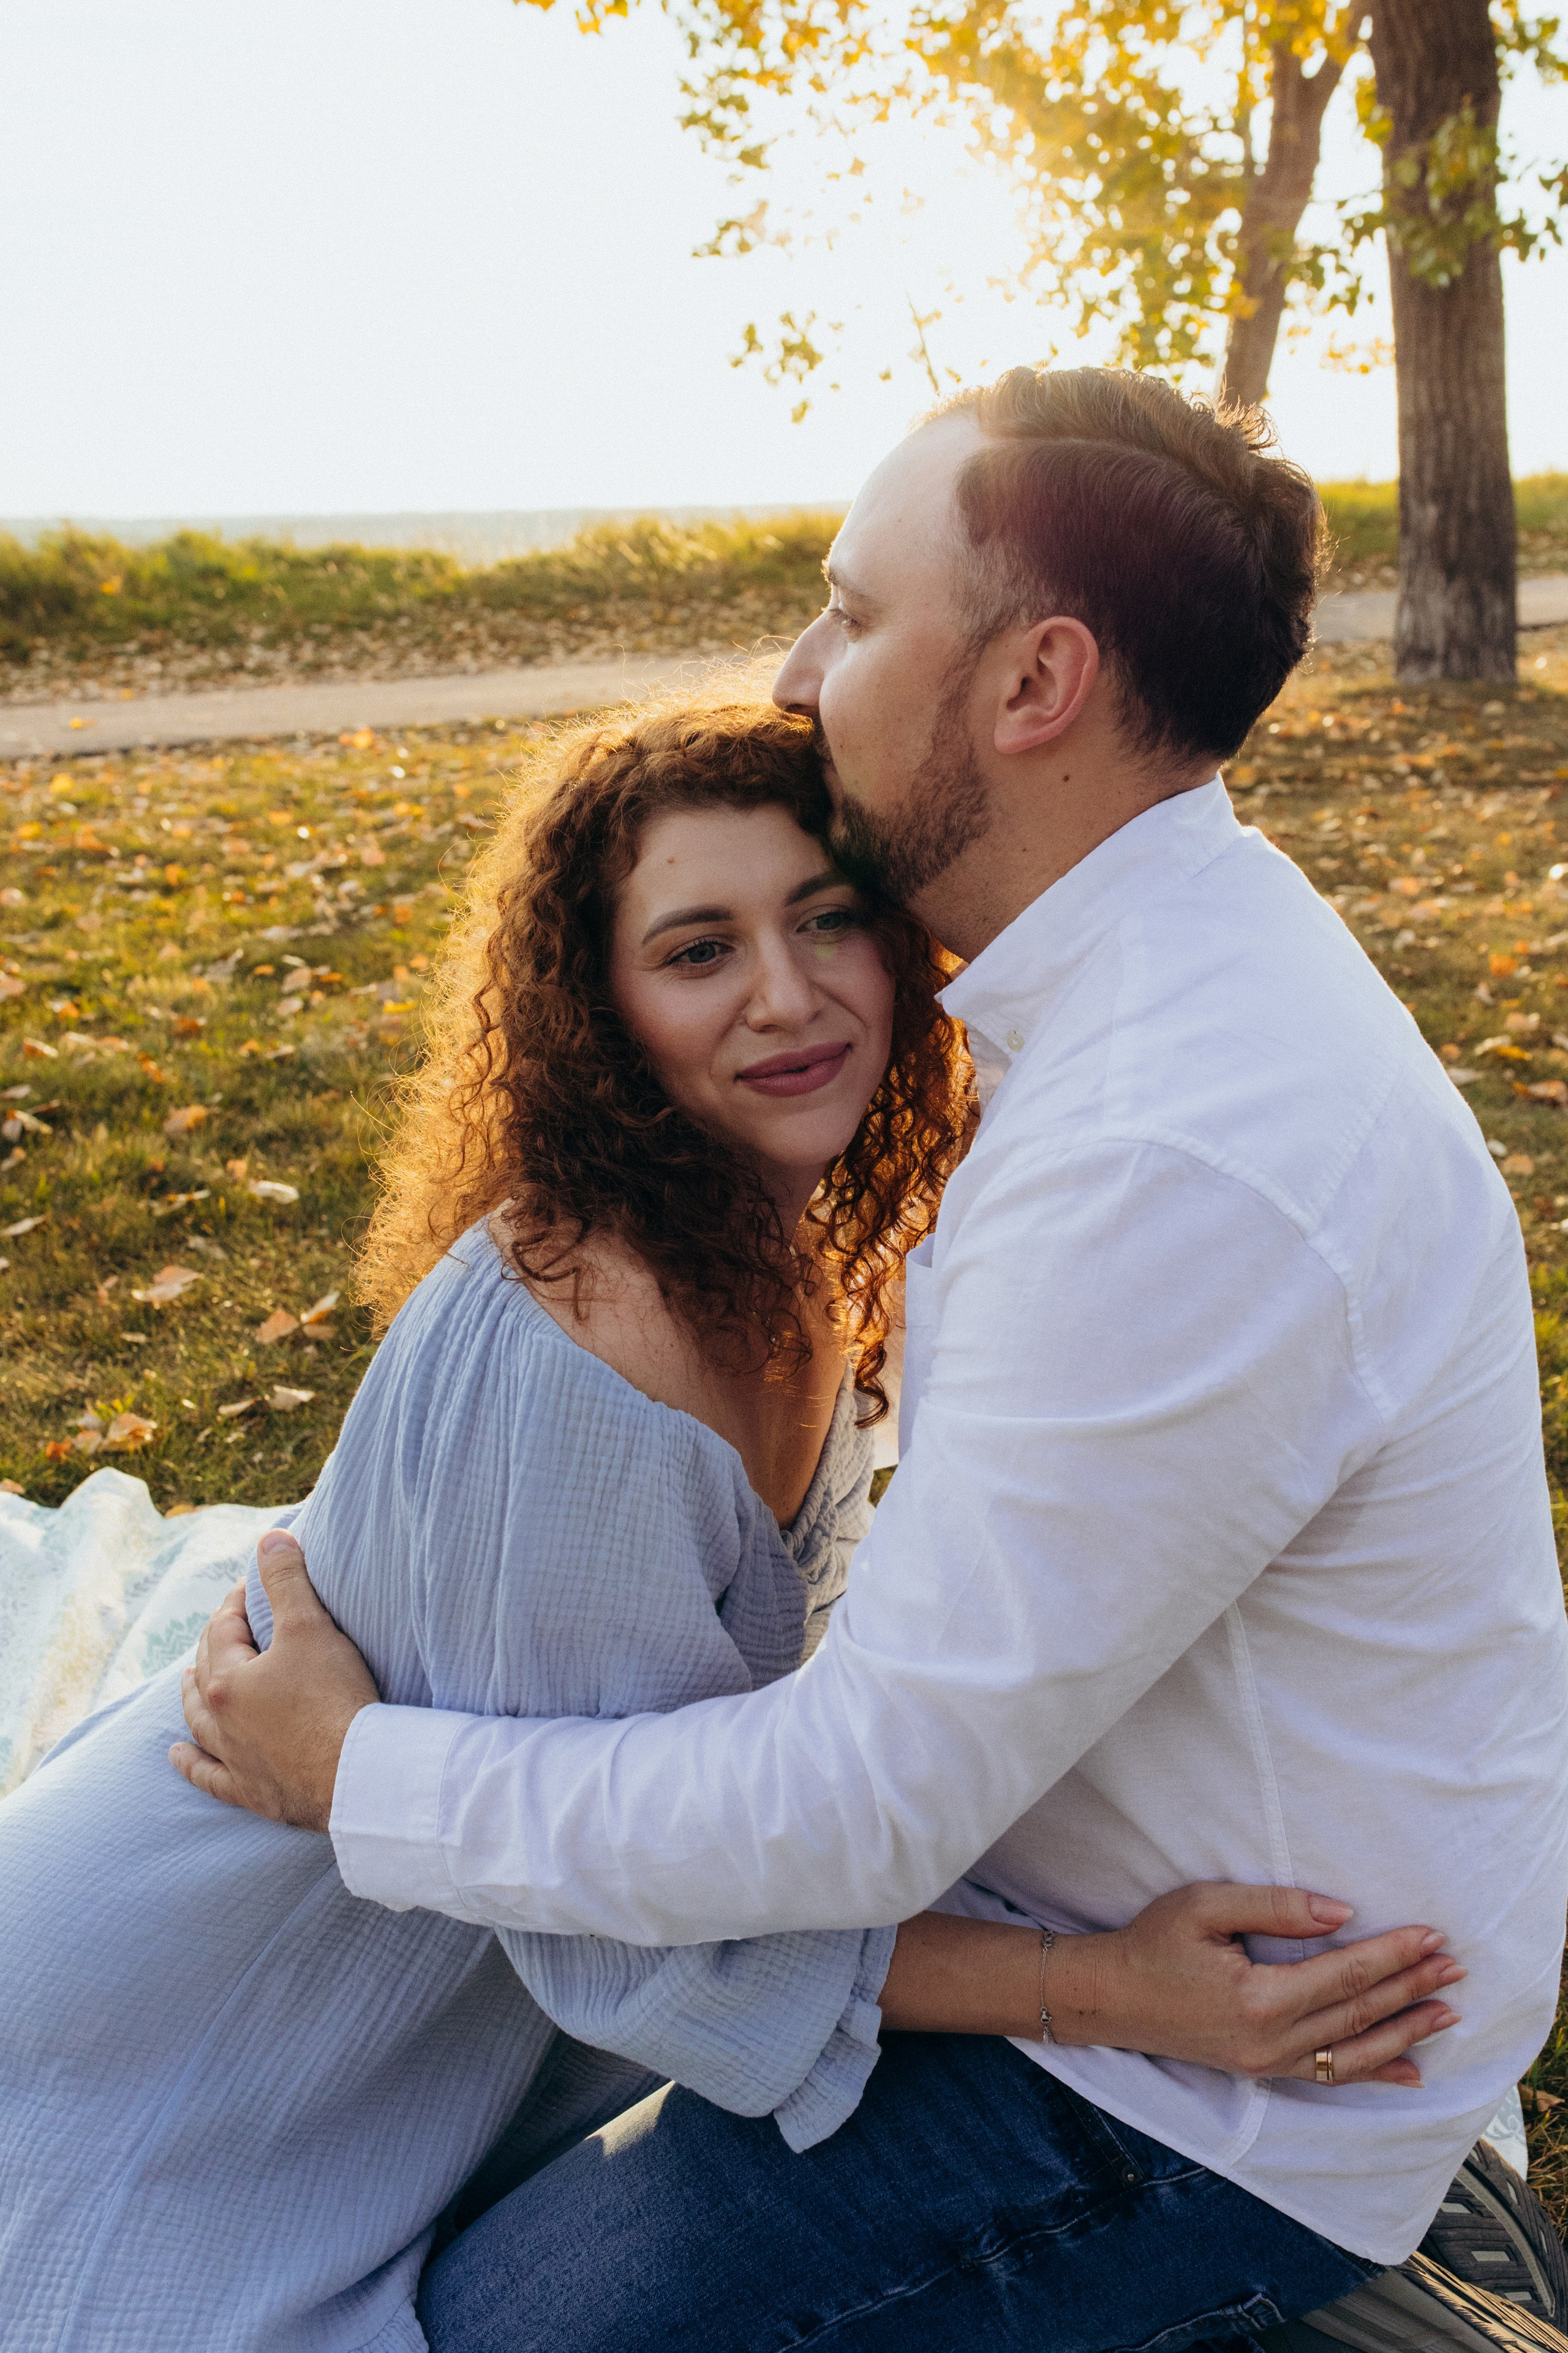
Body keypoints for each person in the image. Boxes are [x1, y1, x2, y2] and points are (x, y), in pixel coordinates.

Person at [178, 368, 1568, 2353]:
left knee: (487, 2332)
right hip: (1122, 1951)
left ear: (1035, 683)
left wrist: (354, 1772)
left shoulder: (1170, 1150)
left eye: (852, 607)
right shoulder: (1161, 982)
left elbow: (857, 1808)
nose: (797, 666)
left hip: (1213, 2094)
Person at [0, 700, 1446, 2353]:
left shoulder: (789, 1245)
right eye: (699, 949)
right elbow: (652, 1916)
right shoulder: (585, 1341)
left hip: (447, 1978)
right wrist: (1107, 1984)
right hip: (179, 2031)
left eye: (826, 917)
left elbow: (732, 1781)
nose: (788, 992)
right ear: (602, 1011)